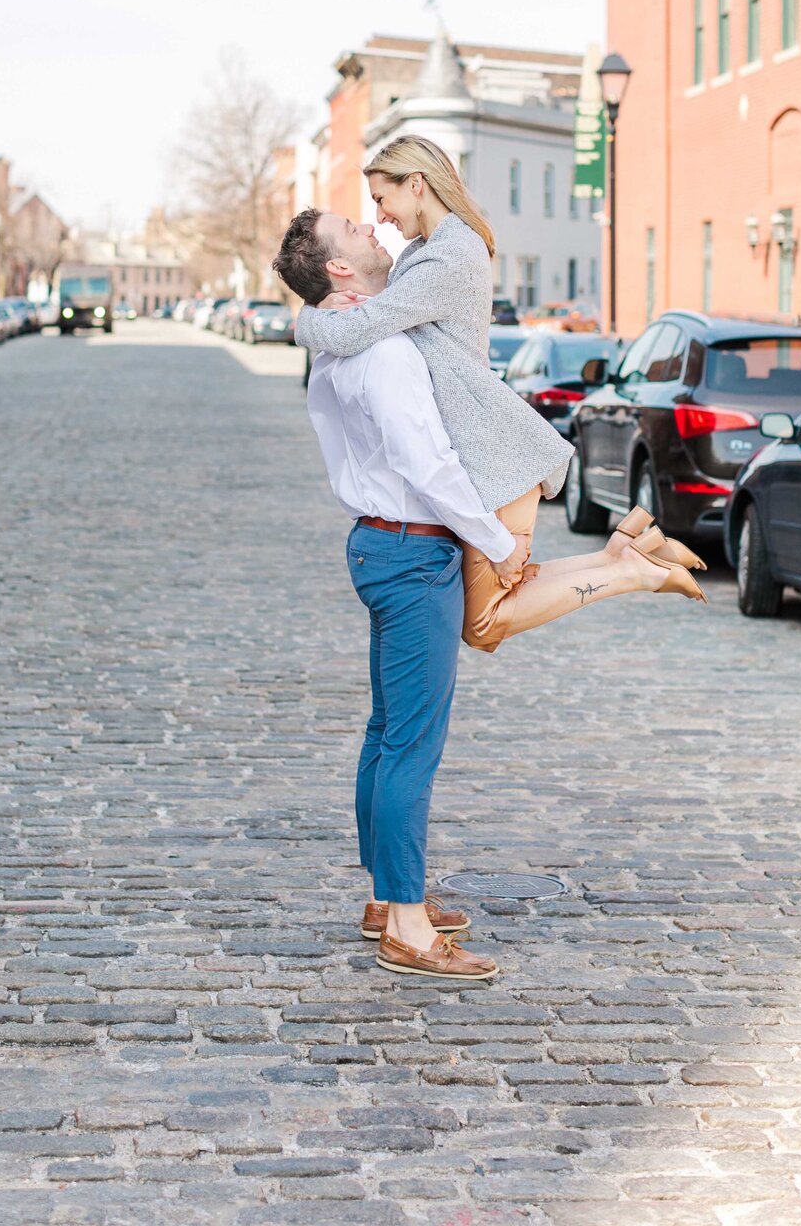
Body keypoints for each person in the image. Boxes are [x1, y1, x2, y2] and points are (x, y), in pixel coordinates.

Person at [273, 209, 700, 984]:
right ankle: (406, 927)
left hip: (378, 542)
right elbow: (430, 466)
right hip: (412, 550)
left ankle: (386, 900)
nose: (371, 228)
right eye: (352, 229)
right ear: (337, 270)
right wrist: (500, 543)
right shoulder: (387, 351)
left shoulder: (339, 346)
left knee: (386, 732)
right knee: (411, 744)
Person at [291, 136, 705, 654]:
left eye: (381, 198)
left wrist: (306, 314)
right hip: (481, 455)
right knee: (496, 597)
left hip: (495, 455)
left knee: (484, 622)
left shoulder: (447, 257)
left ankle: (632, 572)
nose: (379, 215)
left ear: (416, 185)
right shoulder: (424, 254)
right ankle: (625, 554)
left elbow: (359, 329)